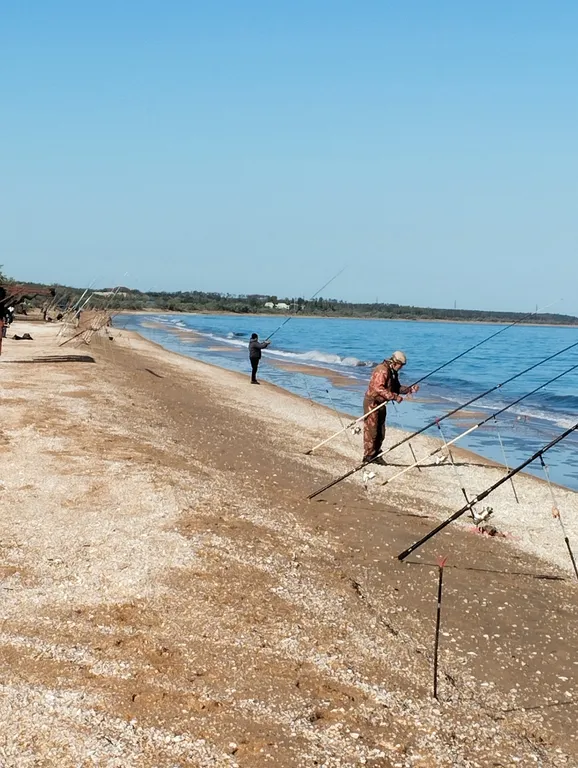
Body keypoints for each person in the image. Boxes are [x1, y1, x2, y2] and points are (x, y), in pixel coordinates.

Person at [363, 350, 419, 464]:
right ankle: (368, 456)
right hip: (372, 402)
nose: (401, 368)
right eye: (401, 365)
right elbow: (378, 388)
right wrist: (394, 397)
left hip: (382, 403)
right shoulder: (382, 370)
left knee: (381, 431)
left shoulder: (393, 372)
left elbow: (396, 387)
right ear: (395, 362)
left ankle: (376, 454)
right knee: (371, 430)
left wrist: (409, 389)